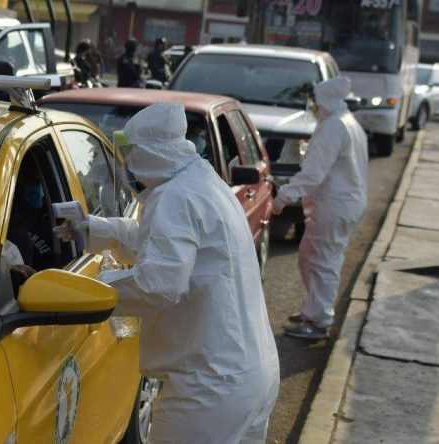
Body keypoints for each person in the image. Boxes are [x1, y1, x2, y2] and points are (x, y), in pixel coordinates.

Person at [55, 103, 279, 443]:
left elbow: (159, 285)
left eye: (131, 153)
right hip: (251, 376)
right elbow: (160, 241)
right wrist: (93, 229)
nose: (128, 164)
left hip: (207, 390)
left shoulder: (176, 196)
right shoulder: (201, 181)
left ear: (151, 152)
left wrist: (85, 290)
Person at [274, 77, 368, 339]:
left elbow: (313, 174)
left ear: (325, 100)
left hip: (336, 205)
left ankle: (318, 320)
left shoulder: (334, 126)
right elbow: (328, 161)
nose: (313, 106)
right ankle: (313, 309)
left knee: (322, 261)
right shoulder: (342, 122)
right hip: (341, 203)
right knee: (311, 256)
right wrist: (305, 150)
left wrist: (283, 196)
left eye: (316, 100)